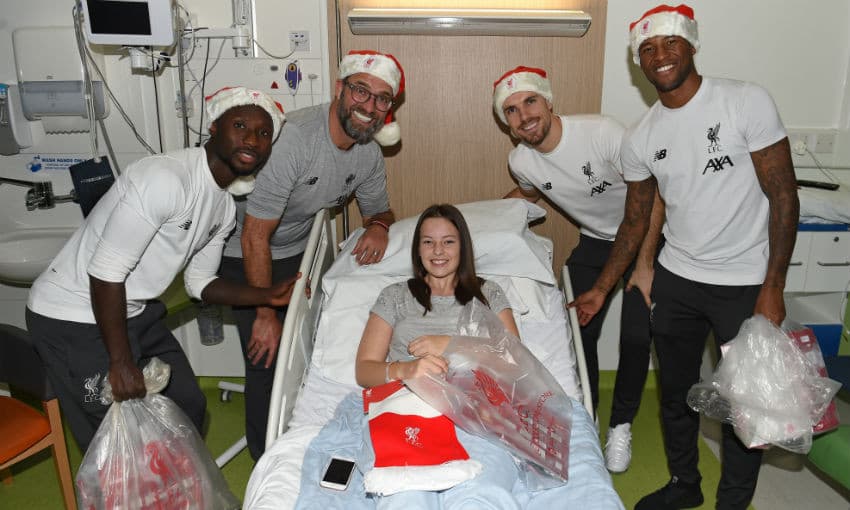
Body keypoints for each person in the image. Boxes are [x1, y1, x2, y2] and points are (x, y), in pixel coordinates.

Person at [570, 4, 799, 509]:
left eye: (670, 42)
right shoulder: (641, 138)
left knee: (745, 405)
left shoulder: (745, 102)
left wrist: (773, 286)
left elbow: (784, 195)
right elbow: (635, 221)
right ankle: (685, 484)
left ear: (692, 45)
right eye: (647, 49)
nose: (660, 55)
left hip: (745, 282)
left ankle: (732, 501)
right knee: (675, 395)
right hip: (677, 282)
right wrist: (601, 289)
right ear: (639, 63)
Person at [25, 86, 298, 452]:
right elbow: (105, 272)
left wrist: (265, 295)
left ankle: (172, 490)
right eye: (240, 125)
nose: (252, 139)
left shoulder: (223, 208)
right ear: (214, 128)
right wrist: (120, 362)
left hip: (132, 311)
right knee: (114, 442)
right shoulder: (166, 180)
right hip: (72, 316)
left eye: (264, 133)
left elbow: (200, 284)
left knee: (189, 405)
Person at [219, 49, 402, 460]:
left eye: (382, 98)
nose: (368, 106)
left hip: (296, 248)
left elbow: (380, 208)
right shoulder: (296, 140)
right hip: (239, 250)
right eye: (361, 91)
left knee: (308, 341)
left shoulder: (368, 152)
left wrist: (378, 225)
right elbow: (254, 235)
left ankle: (298, 426)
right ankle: (264, 458)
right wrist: (265, 313)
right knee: (267, 356)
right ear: (340, 89)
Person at [493, 65, 664, 473]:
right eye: (512, 111)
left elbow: (654, 194)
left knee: (638, 335)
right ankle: (588, 417)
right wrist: (487, 220)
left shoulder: (602, 132)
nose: (524, 115)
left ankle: (620, 426)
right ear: (508, 124)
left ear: (549, 101)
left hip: (650, 236)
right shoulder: (521, 161)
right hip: (597, 242)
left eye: (530, 101)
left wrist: (644, 263)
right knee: (575, 329)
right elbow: (527, 196)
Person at [355, 203, 522, 508]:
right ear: (417, 249)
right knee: (406, 495)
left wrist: (450, 344)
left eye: (448, 241)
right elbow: (364, 370)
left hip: (479, 413)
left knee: (482, 495)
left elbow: (515, 363)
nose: (438, 250)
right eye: (428, 242)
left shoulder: (488, 294)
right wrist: (406, 370)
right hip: (409, 408)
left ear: (463, 247)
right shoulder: (395, 296)